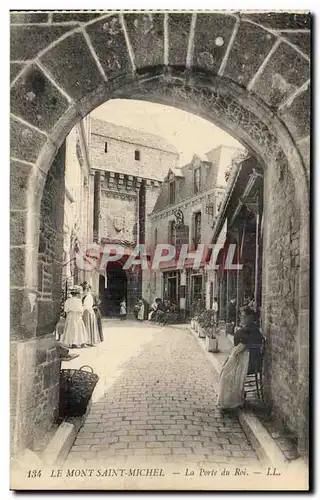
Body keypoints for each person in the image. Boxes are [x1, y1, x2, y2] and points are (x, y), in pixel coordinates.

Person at [218, 307, 263, 410]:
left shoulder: (253, 330)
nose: (241, 318)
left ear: (250, 318)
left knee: (228, 374)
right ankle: (227, 400)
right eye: (241, 316)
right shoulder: (246, 329)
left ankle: (234, 400)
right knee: (225, 371)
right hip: (242, 357)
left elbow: (245, 345)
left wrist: (233, 356)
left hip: (249, 361)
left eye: (243, 316)